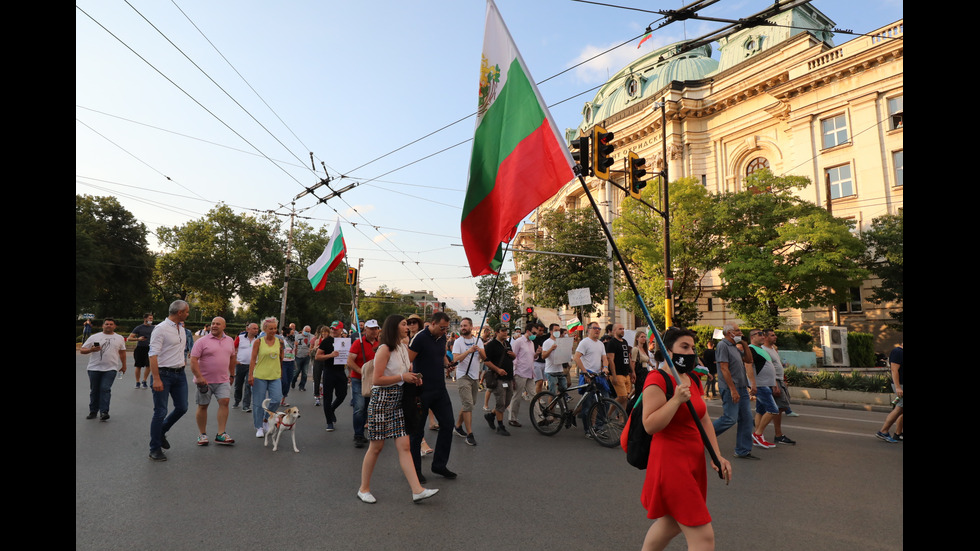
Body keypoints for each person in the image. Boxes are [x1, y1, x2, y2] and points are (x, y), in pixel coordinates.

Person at [640, 327, 731, 551]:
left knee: (671, 524)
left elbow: (705, 420)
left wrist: (716, 455)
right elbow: (650, 425)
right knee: (703, 537)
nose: (690, 352)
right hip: (671, 464)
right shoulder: (656, 379)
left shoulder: (691, 379)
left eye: (692, 348)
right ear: (667, 350)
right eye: (684, 347)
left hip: (693, 462)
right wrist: (676, 400)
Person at [357, 315, 438, 504]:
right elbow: (376, 379)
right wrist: (402, 376)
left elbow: (403, 373)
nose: (408, 327)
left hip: (399, 399)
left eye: (408, 324)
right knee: (376, 447)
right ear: (394, 327)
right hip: (381, 400)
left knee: (405, 446)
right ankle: (363, 489)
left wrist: (413, 377)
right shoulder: (384, 349)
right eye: (404, 324)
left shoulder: (402, 348)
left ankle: (417, 490)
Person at [408, 312, 458, 483]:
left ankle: (439, 465)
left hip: (440, 389)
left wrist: (447, 364)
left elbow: (441, 355)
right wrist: (411, 379)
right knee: (417, 431)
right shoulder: (420, 338)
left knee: (448, 423)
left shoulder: (442, 338)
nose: (445, 331)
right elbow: (408, 361)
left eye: (446, 328)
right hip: (422, 391)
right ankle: (414, 470)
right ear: (433, 324)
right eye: (442, 328)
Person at [148, 300, 191, 462]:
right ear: (179, 313)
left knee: (182, 407)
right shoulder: (161, 329)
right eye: (186, 312)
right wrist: (157, 378)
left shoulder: (181, 328)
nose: (187, 314)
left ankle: (160, 431)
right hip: (163, 374)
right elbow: (152, 355)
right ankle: (154, 448)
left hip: (179, 374)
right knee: (160, 411)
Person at [712, 324, 758, 460]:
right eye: (737, 330)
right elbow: (724, 369)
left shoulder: (735, 347)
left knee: (747, 419)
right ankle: (702, 436)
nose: (741, 332)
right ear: (729, 333)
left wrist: (744, 343)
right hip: (730, 388)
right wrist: (733, 389)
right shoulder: (723, 345)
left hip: (742, 387)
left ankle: (743, 450)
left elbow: (749, 360)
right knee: (730, 418)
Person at [189, 317, 237, 446]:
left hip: (223, 380)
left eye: (218, 324)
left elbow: (232, 357)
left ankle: (221, 434)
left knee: (225, 402)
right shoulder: (202, 341)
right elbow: (193, 360)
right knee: (203, 405)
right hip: (204, 381)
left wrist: (232, 374)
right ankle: (202, 434)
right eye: (213, 324)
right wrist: (198, 377)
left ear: (224, 326)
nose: (214, 326)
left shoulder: (230, 340)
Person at [81, 318, 127, 421]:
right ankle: (93, 411)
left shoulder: (119, 338)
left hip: (110, 369)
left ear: (114, 326)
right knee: (95, 390)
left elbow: (122, 352)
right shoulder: (94, 337)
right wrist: (90, 349)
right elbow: (82, 350)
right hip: (94, 368)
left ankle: (104, 412)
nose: (108, 326)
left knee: (105, 389)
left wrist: (124, 365)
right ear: (103, 325)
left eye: (111, 324)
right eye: (106, 324)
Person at [451, 317, 485, 446]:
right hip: (462, 375)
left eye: (465, 325)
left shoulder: (478, 341)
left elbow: (484, 357)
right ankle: (470, 434)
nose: (463, 328)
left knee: (470, 404)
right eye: (461, 326)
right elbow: (455, 359)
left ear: (471, 327)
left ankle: (458, 426)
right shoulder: (458, 342)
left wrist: (479, 350)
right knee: (468, 404)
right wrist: (468, 351)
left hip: (474, 377)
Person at [573, 322, 610, 437]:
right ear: (588, 330)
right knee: (588, 405)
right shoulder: (585, 342)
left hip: (598, 376)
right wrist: (584, 372)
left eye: (599, 328)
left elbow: (604, 358)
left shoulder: (600, 344)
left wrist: (605, 367)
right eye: (595, 328)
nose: (597, 330)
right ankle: (588, 430)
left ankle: (598, 427)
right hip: (588, 376)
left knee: (605, 400)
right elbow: (576, 357)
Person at [348, 319, 380, 448]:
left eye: (375, 328)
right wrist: (361, 371)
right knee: (360, 407)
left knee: (371, 407)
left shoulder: (381, 343)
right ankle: (359, 435)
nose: (374, 331)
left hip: (376, 379)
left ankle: (373, 432)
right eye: (371, 328)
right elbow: (350, 361)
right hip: (359, 378)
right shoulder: (358, 343)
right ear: (365, 329)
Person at [249, 317, 284, 438]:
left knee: (276, 399)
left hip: (275, 375)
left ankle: (265, 419)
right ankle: (258, 427)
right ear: (265, 329)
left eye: (275, 328)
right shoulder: (259, 342)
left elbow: (281, 358)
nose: (273, 330)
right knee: (258, 403)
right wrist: (250, 375)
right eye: (271, 328)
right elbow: (253, 359)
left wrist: (281, 372)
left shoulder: (280, 342)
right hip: (260, 376)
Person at [746, 329, 779, 449]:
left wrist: (773, 382)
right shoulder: (750, 349)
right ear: (752, 337)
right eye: (760, 334)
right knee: (773, 410)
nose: (762, 336)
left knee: (760, 410)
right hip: (760, 385)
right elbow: (748, 366)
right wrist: (753, 384)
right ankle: (757, 434)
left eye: (763, 334)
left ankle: (758, 437)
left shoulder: (760, 349)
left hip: (766, 384)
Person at [763, 330, 796, 445]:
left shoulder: (772, 349)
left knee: (780, 407)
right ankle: (776, 434)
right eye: (772, 335)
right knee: (779, 407)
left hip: (779, 380)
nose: (775, 337)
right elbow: (768, 368)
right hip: (775, 381)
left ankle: (761, 422)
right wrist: (775, 384)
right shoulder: (764, 350)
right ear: (765, 337)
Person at [483, 325, 516, 436]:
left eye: (506, 330)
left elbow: (512, 358)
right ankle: (500, 426)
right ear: (497, 332)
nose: (505, 333)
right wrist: (498, 369)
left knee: (507, 401)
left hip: (509, 377)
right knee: (500, 402)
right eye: (503, 331)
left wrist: (513, 356)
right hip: (498, 378)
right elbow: (486, 361)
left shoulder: (507, 344)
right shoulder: (491, 345)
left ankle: (491, 415)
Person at [316, 321, 346, 432]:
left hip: (340, 371)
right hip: (329, 371)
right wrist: (331, 355)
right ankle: (329, 422)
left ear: (341, 330)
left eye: (336, 328)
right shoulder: (326, 341)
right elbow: (318, 357)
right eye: (332, 328)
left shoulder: (345, 341)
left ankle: (331, 409)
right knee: (327, 397)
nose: (333, 330)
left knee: (342, 395)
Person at [507, 324, 536, 427]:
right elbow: (513, 357)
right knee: (517, 396)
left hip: (530, 372)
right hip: (520, 372)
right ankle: (512, 418)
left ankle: (539, 418)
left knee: (534, 395)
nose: (534, 335)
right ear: (527, 331)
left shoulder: (532, 343)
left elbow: (531, 357)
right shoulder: (519, 342)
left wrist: (536, 354)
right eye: (533, 332)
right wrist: (513, 374)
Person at [875, 342, 903, 443]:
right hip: (900, 385)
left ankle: (898, 433)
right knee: (899, 409)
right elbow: (894, 371)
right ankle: (883, 431)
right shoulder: (897, 352)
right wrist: (898, 387)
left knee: (900, 409)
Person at [605, 323, 632, 410]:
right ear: (614, 331)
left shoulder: (624, 341)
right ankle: (608, 415)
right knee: (622, 397)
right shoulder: (611, 343)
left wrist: (632, 372)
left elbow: (628, 357)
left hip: (626, 373)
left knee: (625, 398)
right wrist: (614, 375)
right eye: (620, 329)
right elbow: (611, 360)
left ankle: (622, 419)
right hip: (617, 374)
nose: (622, 330)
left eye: (623, 328)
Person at [232, 323, 258, 412]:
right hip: (240, 365)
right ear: (248, 329)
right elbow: (232, 348)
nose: (256, 330)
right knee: (238, 385)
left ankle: (246, 405)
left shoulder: (258, 340)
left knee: (248, 385)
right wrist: (235, 360)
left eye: (257, 329)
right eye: (254, 328)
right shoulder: (240, 338)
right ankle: (237, 400)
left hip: (252, 366)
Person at [128, 313, 154, 389]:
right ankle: (137, 382)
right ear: (145, 319)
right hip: (140, 348)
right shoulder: (139, 328)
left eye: (152, 319)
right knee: (138, 366)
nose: (151, 320)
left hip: (150, 348)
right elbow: (129, 338)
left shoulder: (154, 328)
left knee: (148, 365)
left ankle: (144, 381)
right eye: (150, 318)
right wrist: (138, 339)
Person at [541, 323, 566, 396]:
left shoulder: (561, 341)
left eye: (558, 330)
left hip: (560, 370)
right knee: (552, 393)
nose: (557, 332)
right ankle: (551, 407)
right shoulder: (547, 342)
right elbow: (543, 356)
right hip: (550, 371)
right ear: (551, 331)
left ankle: (559, 404)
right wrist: (551, 349)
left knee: (564, 388)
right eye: (556, 330)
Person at [311, 325, 330, 406]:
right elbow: (313, 349)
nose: (324, 334)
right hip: (318, 361)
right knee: (316, 379)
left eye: (325, 332)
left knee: (327, 379)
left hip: (327, 361)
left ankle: (327, 397)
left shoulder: (330, 341)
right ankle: (317, 397)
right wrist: (317, 348)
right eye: (322, 332)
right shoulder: (318, 340)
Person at [631, 331, 652, 402]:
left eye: (644, 337)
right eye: (642, 337)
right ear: (637, 338)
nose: (644, 338)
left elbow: (647, 360)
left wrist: (653, 366)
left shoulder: (644, 349)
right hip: (639, 372)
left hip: (645, 371)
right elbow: (633, 362)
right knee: (639, 393)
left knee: (644, 392)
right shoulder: (635, 349)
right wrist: (633, 373)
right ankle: (630, 410)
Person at [292, 325, 312, 391]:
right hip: (298, 356)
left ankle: (302, 386)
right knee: (296, 372)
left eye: (308, 331)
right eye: (306, 331)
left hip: (306, 357)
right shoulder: (297, 336)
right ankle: (293, 381)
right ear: (303, 330)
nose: (307, 333)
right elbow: (294, 346)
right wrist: (294, 355)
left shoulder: (312, 337)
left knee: (305, 373)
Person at [280, 326, 296, 407]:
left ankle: (283, 400)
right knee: (284, 381)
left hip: (291, 362)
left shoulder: (293, 340)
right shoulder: (281, 339)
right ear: (287, 334)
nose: (294, 334)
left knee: (289, 381)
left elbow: (294, 350)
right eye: (292, 333)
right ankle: (278, 397)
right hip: (283, 363)